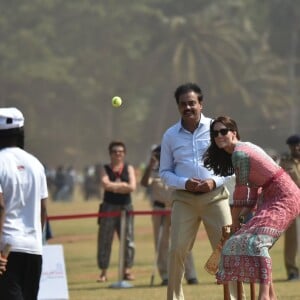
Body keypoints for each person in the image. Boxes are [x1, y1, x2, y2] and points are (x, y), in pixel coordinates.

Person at [203, 115, 300, 300]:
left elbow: (240, 191)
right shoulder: (242, 150)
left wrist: (232, 222)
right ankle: (271, 296)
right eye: (215, 133)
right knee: (239, 242)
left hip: (284, 196)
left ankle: (264, 296)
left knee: (257, 243)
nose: (219, 136)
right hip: (269, 197)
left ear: (234, 132)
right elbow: (253, 189)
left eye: (224, 131)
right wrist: (246, 213)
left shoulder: (240, 153)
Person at [159, 83, 235, 300]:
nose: (188, 107)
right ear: (178, 107)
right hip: (184, 200)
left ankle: (235, 297)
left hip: (215, 198)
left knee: (227, 251)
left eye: (192, 103)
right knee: (176, 251)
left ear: (201, 104)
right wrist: (185, 183)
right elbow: (164, 172)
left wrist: (213, 181)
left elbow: (231, 166)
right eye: (183, 104)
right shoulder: (170, 135)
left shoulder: (216, 129)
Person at [0, 107, 48, 299]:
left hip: (6, 250)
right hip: (33, 248)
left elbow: (0, 206)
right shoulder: (36, 163)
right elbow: (43, 210)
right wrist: (36, 239)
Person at [141, 144, 199, 286]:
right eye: (158, 155)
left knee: (182, 241)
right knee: (162, 243)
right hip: (159, 209)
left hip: (176, 208)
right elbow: (144, 183)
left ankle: (190, 275)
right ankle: (166, 275)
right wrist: (150, 165)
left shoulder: (177, 169)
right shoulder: (153, 172)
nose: (160, 157)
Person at [96, 141, 136, 282]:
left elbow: (132, 186)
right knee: (105, 239)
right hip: (109, 206)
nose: (118, 154)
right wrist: (122, 185)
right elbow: (105, 184)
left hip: (126, 207)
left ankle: (127, 270)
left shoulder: (129, 168)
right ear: (110, 153)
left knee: (128, 239)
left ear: (124, 153)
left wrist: (115, 186)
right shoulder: (105, 168)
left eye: (120, 151)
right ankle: (103, 272)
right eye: (115, 151)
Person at [280, 134, 300, 281]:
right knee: (293, 239)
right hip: (293, 205)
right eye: (293, 145)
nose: (296, 147)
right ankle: (292, 271)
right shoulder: (285, 163)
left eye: (298, 145)